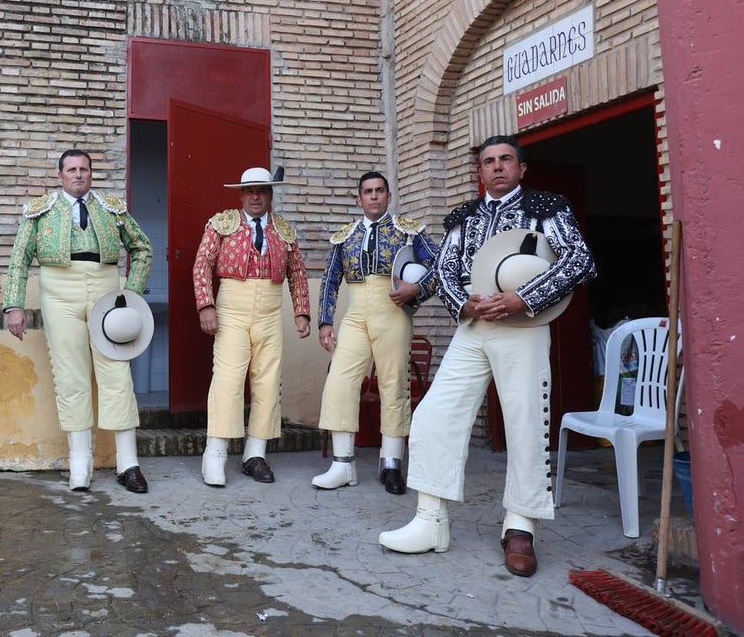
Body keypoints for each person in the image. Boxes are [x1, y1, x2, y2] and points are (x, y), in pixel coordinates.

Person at [378, 134, 597, 577]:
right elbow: (444, 269)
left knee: (524, 424)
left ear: (521, 168)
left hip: (525, 327)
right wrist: (465, 303)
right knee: (435, 415)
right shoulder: (463, 216)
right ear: (479, 171)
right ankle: (431, 520)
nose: (497, 167)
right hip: (473, 328)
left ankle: (520, 527)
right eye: (488, 162)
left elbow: (580, 260)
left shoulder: (547, 208)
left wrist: (524, 298)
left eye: (506, 160)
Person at [3, 149, 154, 493]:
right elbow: (19, 260)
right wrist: (14, 305)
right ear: (60, 175)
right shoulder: (40, 210)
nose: (78, 175)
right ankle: (80, 464)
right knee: (70, 374)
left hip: (106, 290)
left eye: (84, 169)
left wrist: (130, 294)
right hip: (59, 292)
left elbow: (142, 247)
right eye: (71, 169)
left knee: (116, 371)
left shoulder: (110, 207)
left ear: (91, 174)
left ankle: (128, 463)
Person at [313, 171, 439, 495]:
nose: (374, 196)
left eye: (379, 190)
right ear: (359, 198)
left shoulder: (409, 231)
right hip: (355, 313)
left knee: (394, 384)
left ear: (388, 196)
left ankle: (392, 464)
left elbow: (438, 266)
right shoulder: (345, 236)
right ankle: (342, 465)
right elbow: (330, 280)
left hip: (392, 311)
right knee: (340, 380)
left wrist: (415, 289)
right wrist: (325, 321)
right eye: (367, 191)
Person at [193, 166, 311, 487]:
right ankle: (215, 454)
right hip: (232, 305)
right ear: (241, 194)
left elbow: (297, 273)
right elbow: (202, 264)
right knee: (228, 378)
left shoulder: (283, 229)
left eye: (262, 191)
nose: (256, 196)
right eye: (250, 191)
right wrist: (206, 304)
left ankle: (255, 454)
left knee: (268, 381)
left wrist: (301, 311)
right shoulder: (223, 223)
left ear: (271, 194)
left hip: (271, 311)